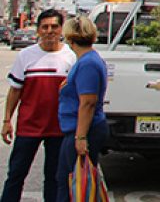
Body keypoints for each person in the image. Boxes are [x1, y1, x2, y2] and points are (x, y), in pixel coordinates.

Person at [1, 10, 75, 202]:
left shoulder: (71, 57)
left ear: (61, 30)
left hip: (59, 129)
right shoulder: (26, 56)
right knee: (16, 174)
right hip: (29, 127)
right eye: (45, 27)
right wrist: (7, 120)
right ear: (39, 31)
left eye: (54, 27)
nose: (49, 31)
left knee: (54, 178)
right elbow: (15, 90)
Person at [54, 16, 108, 202]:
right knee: (66, 179)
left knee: (74, 182)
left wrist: (81, 136)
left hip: (85, 129)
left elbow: (88, 102)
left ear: (70, 38)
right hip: (78, 128)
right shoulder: (86, 60)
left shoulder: (88, 63)